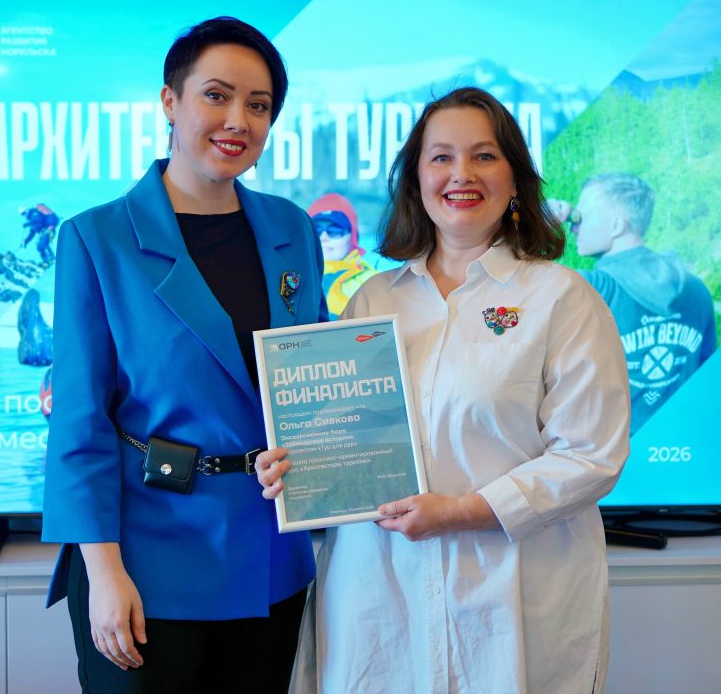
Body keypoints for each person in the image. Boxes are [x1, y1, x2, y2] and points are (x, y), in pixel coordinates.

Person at [257, 87, 631, 693]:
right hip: (379, 598)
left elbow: (591, 456)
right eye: (441, 157)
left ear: (516, 180)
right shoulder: (371, 301)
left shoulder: (562, 299)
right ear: (416, 180)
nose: (462, 174)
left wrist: (462, 512)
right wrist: (295, 465)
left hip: (511, 597)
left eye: (484, 156)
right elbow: (341, 440)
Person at [41, 16, 328, 694]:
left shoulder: (291, 228)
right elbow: (79, 426)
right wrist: (104, 573)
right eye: (216, 96)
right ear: (170, 101)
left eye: (259, 105)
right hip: (144, 562)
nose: (238, 121)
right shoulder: (97, 239)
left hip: (269, 558)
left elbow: (315, 373)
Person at [557, 173, 717, 434]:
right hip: (681, 444)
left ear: (616, 225)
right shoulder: (696, 288)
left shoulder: (594, 288)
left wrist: (540, 217)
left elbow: (509, 287)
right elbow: (708, 378)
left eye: (579, 216)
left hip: (613, 451)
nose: (574, 226)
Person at [306, 193, 376, 318]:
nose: (324, 237)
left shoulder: (371, 282)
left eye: (334, 230)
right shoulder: (293, 279)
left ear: (352, 237)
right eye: (316, 231)